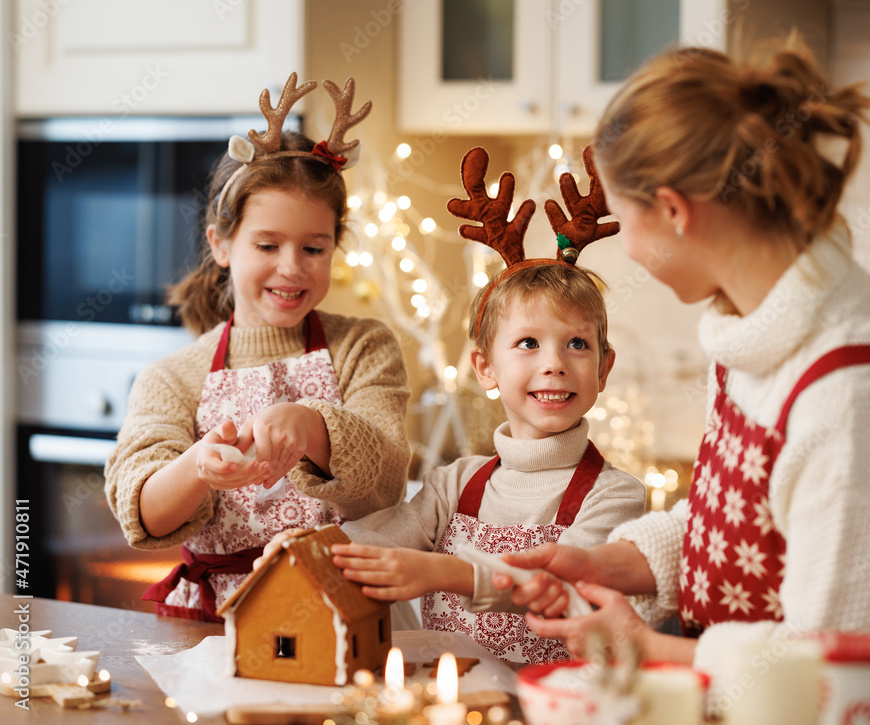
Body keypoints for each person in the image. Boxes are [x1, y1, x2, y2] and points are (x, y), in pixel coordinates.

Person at [496, 36, 870, 720]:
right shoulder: (758, 325)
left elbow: (827, 661)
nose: (632, 252)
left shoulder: (852, 399)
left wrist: (643, 647)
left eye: (625, 220)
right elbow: (733, 524)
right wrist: (604, 561)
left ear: (675, 210)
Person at [258, 147, 646, 665]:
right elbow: (380, 536)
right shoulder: (454, 484)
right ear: (484, 367)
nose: (554, 364)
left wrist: (443, 572)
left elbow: (558, 580)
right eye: (528, 343)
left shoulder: (616, 497)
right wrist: (309, 548)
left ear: (603, 368)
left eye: (577, 344)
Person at [104, 75, 411, 622]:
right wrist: (198, 466)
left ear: (335, 245)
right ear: (221, 244)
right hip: (212, 627)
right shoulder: (174, 375)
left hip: (337, 610)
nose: (292, 267)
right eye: (267, 245)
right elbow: (142, 513)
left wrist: (312, 426)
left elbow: (385, 485)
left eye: (314, 247)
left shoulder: (363, 346)